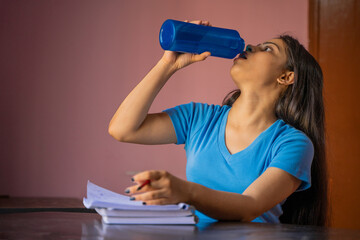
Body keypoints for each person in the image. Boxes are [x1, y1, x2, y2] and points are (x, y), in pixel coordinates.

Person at [108, 20, 328, 226]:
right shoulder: (199, 118)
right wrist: (168, 64)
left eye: (268, 49)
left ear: (286, 77)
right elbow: (123, 130)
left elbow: (249, 206)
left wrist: (186, 192)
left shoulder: (293, 144)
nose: (251, 46)